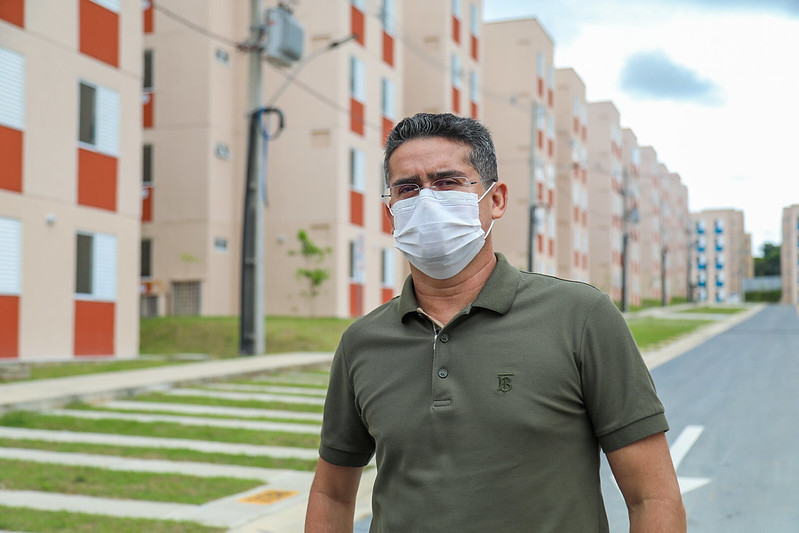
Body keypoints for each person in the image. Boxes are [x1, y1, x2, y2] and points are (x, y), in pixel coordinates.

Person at [305, 113, 685, 532]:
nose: (426, 199)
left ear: (496, 199)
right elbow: (331, 494)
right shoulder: (363, 342)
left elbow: (653, 497)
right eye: (407, 188)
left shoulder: (581, 317)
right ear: (390, 210)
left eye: (447, 182)